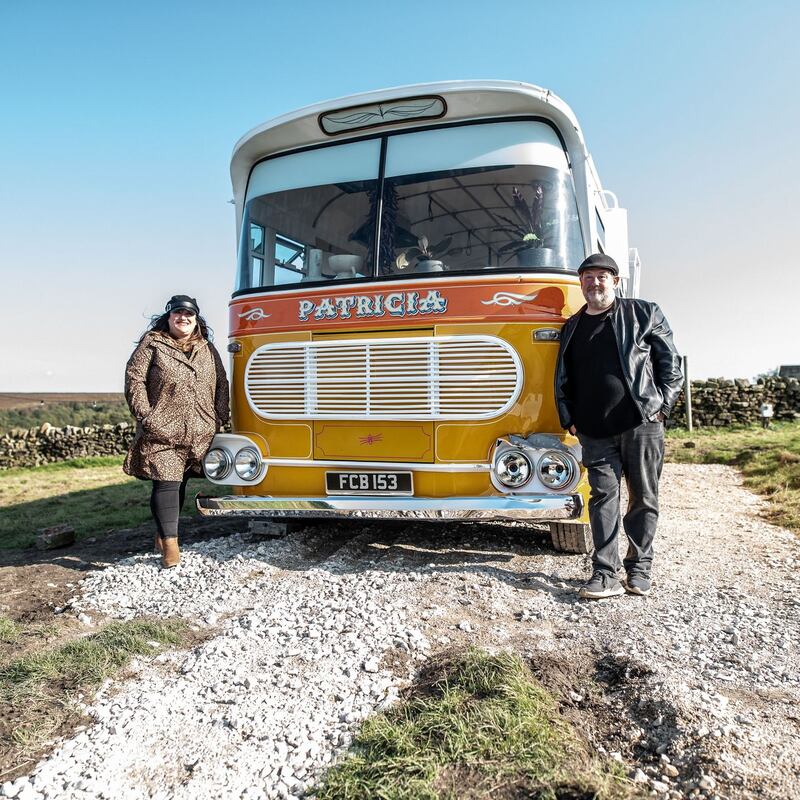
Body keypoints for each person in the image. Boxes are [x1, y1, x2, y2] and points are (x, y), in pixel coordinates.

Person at [554, 254, 683, 599]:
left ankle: (639, 569)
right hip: (594, 432)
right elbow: (563, 380)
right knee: (602, 499)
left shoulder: (644, 313)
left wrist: (660, 408)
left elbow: (670, 365)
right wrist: (572, 420)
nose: (594, 283)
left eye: (602, 276)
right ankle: (605, 573)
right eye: (588, 277)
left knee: (643, 498)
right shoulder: (572, 327)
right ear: (580, 283)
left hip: (641, 424)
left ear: (615, 281)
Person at [124, 295, 230, 568]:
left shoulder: (207, 348)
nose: (183, 318)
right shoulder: (152, 344)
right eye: (178, 314)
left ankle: (162, 532)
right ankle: (171, 546)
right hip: (161, 428)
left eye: (189, 314)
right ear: (168, 317)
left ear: (196, 320)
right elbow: (134, 379)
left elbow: (221, 383)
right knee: (166, 482)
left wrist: (218, 416)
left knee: (179, 481)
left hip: (198, 429)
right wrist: (146, 416)